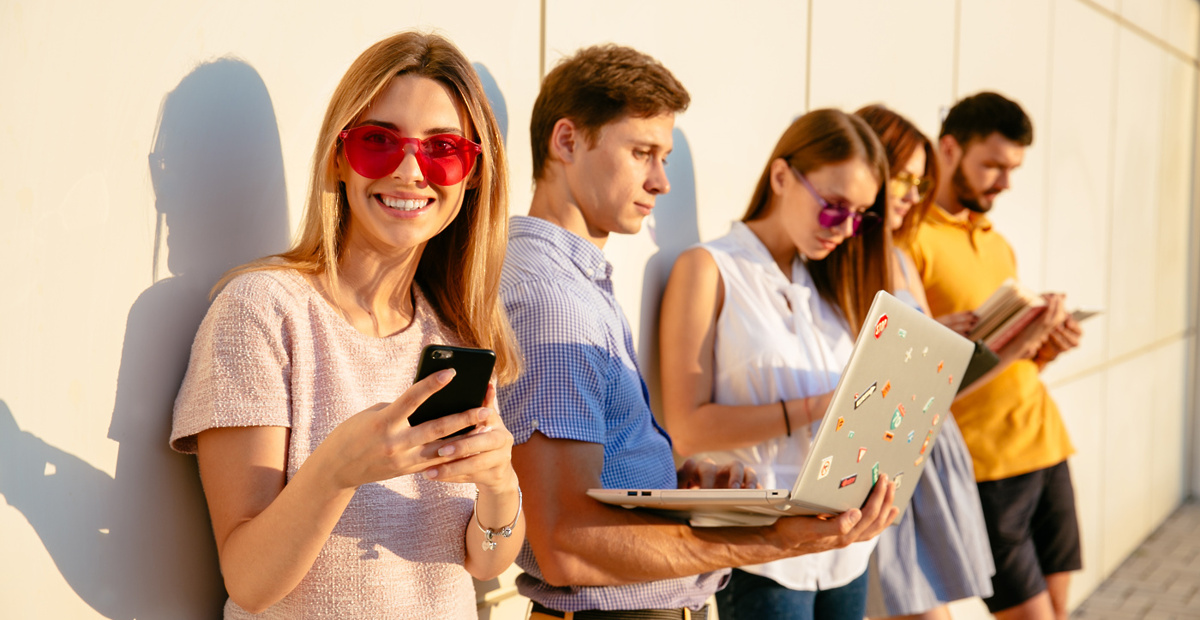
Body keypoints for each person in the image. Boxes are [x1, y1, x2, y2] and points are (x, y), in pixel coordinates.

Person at [498, 45, 899, 619]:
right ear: (566, 141)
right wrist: (771, 539)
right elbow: (566, 540)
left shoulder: (574, 282)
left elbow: (585, 483)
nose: (661, 182)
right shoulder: (554, 301)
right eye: (642, 153)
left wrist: (669, 485)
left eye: (662, 156)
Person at [169, 32, 525, 619]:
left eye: (442, 148)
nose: (412, 170)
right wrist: (337, 469)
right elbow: (249, 581)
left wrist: (499, 486)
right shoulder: (261, 309)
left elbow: (484, 563)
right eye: (379, 142)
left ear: (473, 174)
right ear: (338, 157)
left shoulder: (455, 334)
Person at [659, 108, 896, 620]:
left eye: (860, 215)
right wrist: (820, 407)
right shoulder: (708, 269)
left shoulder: (831, 286)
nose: (846, 228)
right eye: (834, 206)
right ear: (782, 176)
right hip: (760, 549)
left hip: (843, 543)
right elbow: (685, 427)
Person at [909, 91, 1082, 620]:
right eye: (992, 166)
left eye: (1013, 169)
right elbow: (917, 376)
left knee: (1056, 610)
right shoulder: (911, 241)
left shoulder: (996, 240)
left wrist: (1046, 347)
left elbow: (1013, 359)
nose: (1005, 182)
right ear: (949, 149)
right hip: (985, 467)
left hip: (1047, 446)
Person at [853, 104, 996, 620]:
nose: (915, 194)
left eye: (921, 181)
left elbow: (934, 376)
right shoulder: (846, 258)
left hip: (922, 447)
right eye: (905, 178)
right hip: (883, 458)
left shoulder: (902, 257)